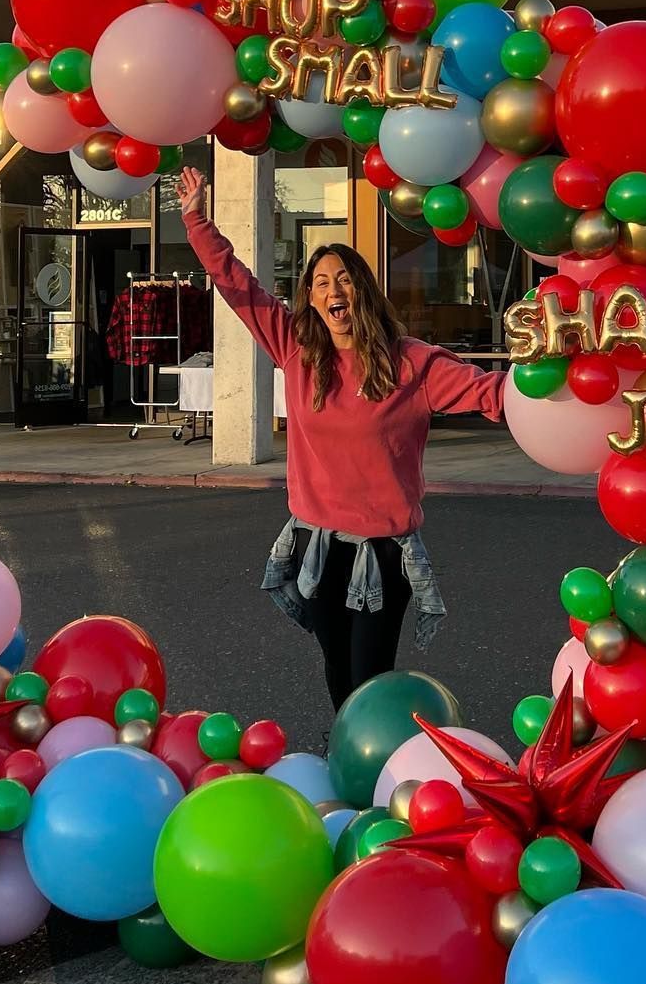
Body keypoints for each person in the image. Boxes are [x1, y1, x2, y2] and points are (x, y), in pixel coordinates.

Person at [176, 165, 507, 711]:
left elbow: (492, 394)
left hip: (383, 552)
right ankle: (347, 760)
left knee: (369, 678)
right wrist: (197, 221)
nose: (334, 290)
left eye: (345, 279)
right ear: (310, 298)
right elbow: (241, 289)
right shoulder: (299, 354)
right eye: (322, 282)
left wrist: (550, 389)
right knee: (335, 669)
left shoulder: (413, 364)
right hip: (317, 546)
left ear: (363, 291)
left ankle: (370, 769)